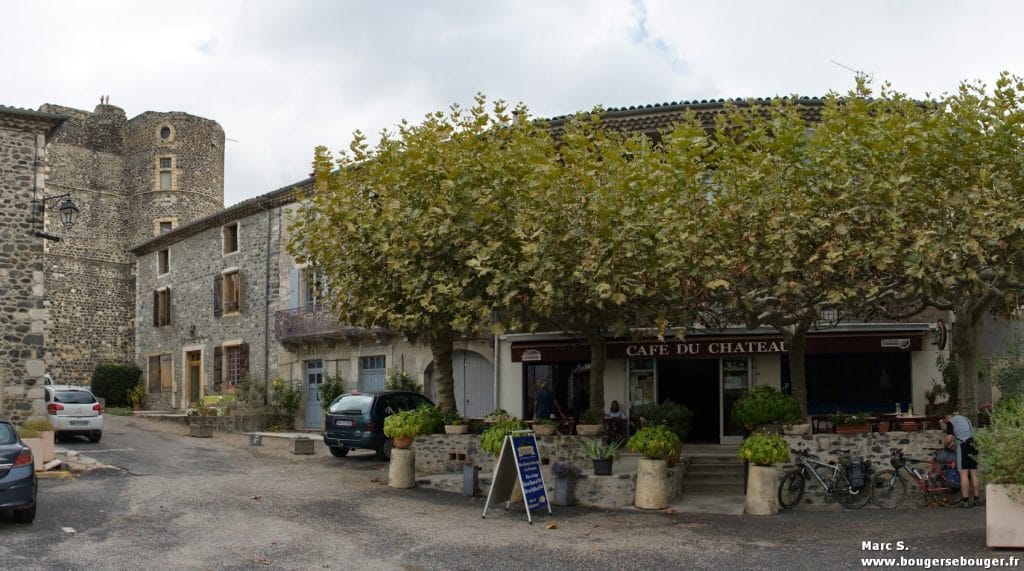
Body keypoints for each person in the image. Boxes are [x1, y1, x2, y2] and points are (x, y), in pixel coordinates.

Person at [944, 411, 982, 508]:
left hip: (963, 445)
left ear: (947, 417)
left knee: (964, 474)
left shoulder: (950, 421)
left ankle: (965, 501)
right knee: (974, 473)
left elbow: (949, 438)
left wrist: (946, 445)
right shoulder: (966, 419)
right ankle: (977, 499)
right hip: (974, 445)